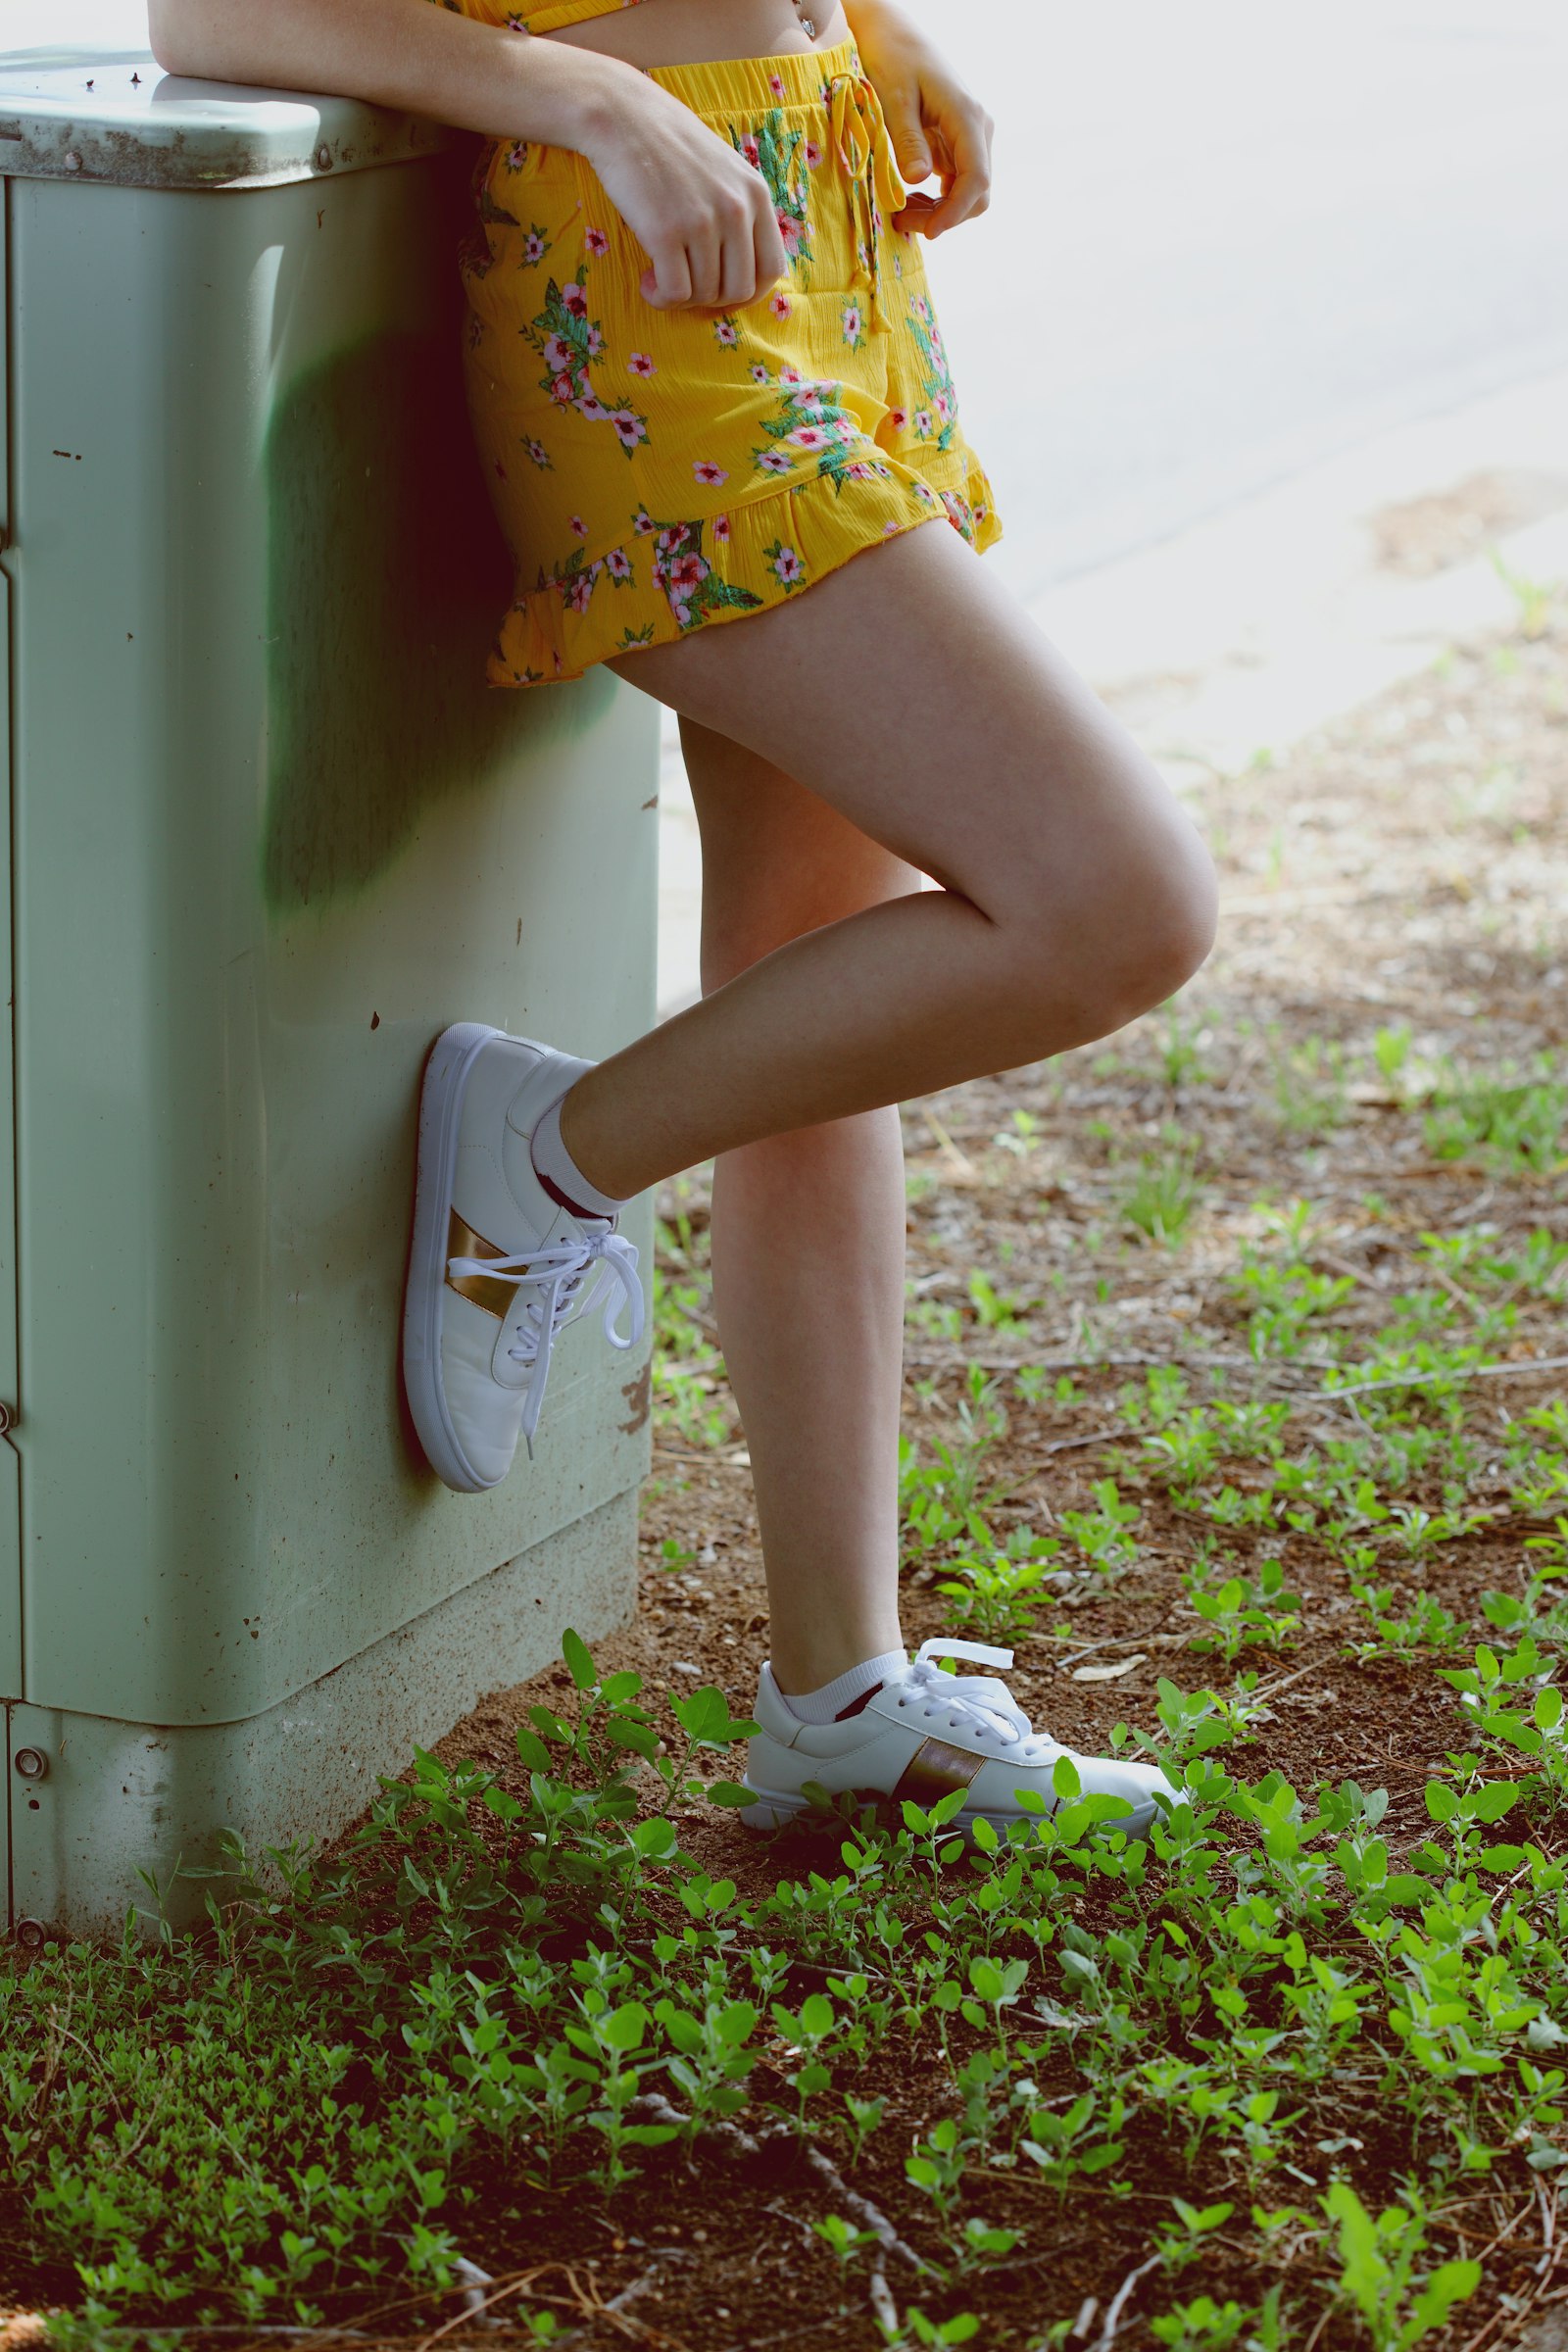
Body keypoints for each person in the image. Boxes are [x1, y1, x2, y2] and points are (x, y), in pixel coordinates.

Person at [150, 0, 1217, 1838]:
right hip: (639, 281)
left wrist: (867, 23)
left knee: (823, 977)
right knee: (1119, 900)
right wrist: (582, 89)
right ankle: (552, 1152)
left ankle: (839, 1689)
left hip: (810, 223)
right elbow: (211, 10)